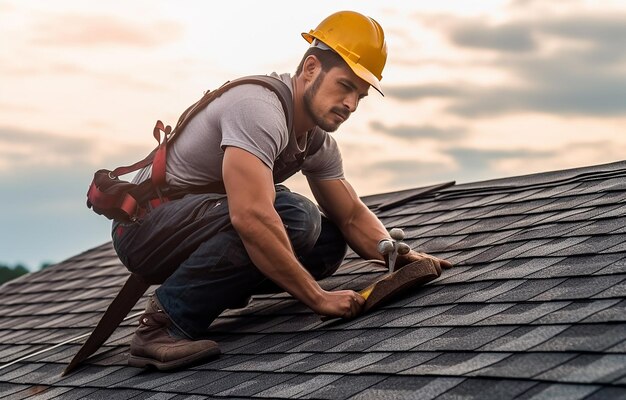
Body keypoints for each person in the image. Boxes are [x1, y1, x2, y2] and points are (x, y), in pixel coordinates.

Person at [112, 10, 452, 371]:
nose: (351, 104)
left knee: (328, 242)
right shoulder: (259, 109)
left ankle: (216, 289)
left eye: (360, 95)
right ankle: (159, 328)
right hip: (145, 229)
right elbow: (251, 216)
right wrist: (318, 298)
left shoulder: (314, 138)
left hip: (195, 224)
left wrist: (392, 253)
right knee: (295, 217)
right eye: (345, 86)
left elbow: (350, 214)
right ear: (310, 69)